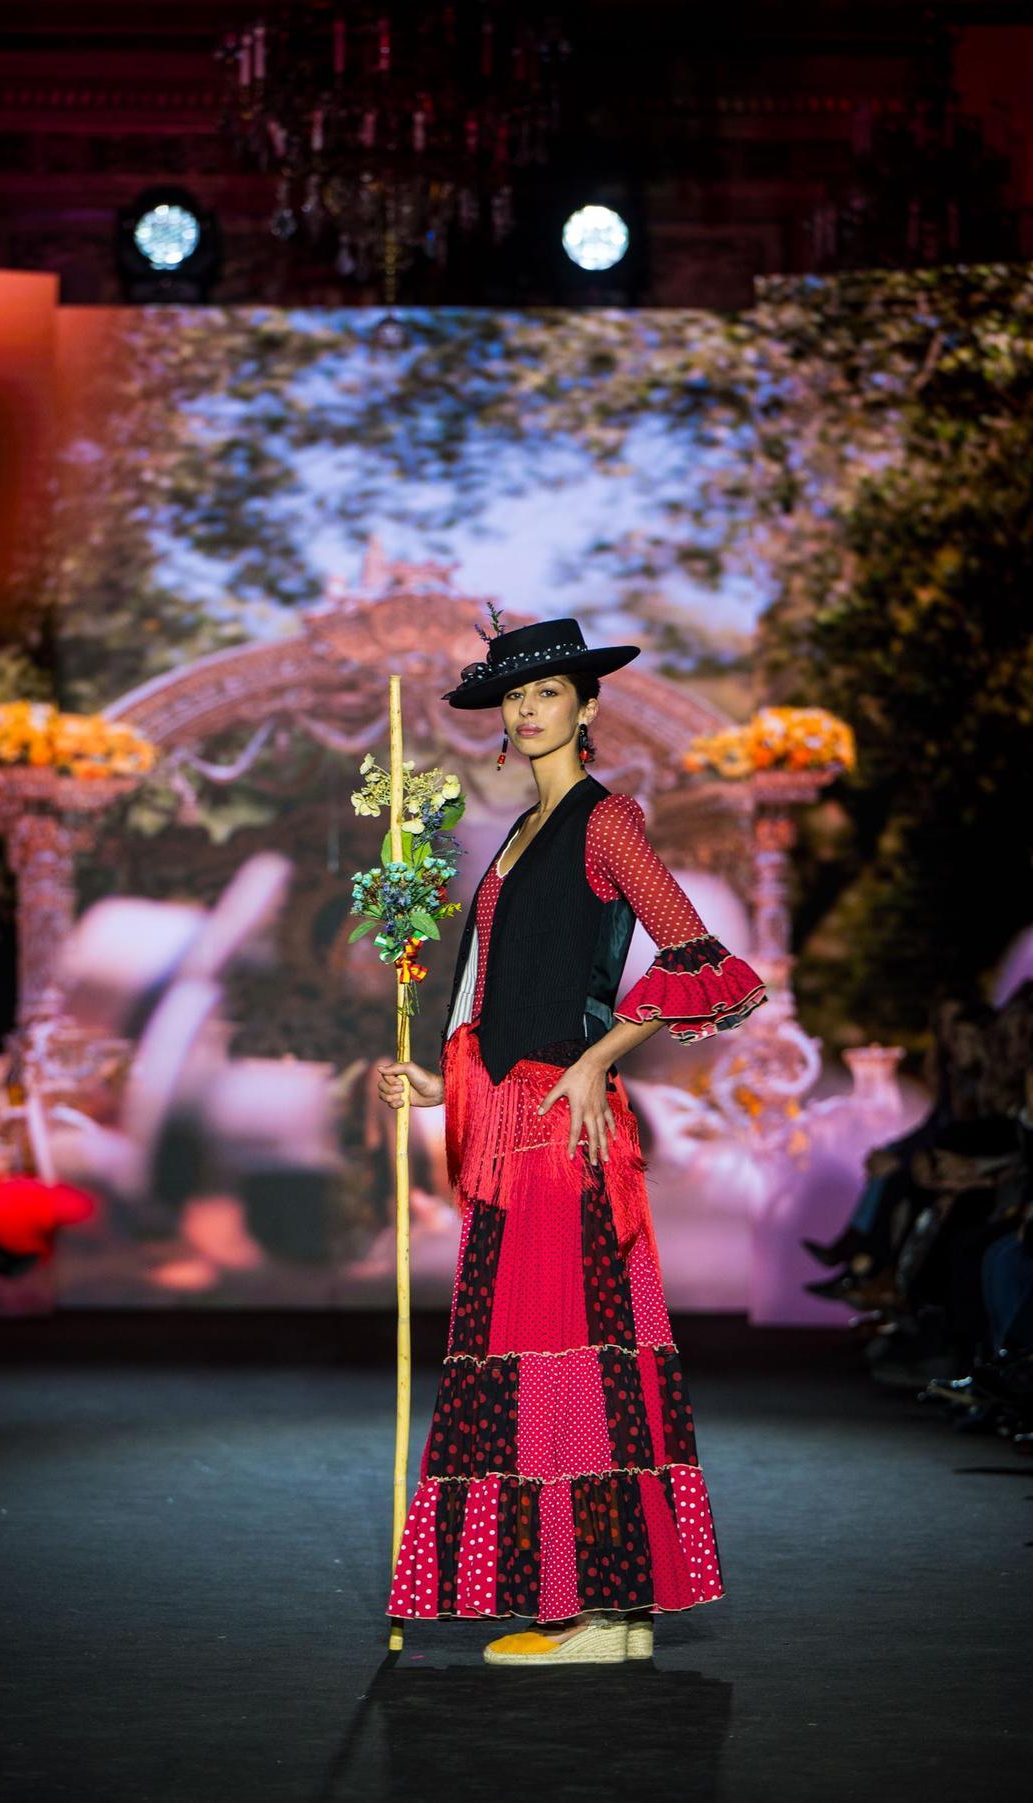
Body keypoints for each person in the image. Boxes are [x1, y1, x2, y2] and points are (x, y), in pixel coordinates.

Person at [377, 616, 767, 1666]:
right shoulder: (513, 837)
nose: (527, 709)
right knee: (537, 1354)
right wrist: (434, 1081)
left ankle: (605, 1607)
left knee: (570, 1352)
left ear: (587, 707)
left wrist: (601, 1058)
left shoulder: (606, 820)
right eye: (514, 697)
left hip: (562, 1121)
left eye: (547, 692)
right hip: (509, 1117)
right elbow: (505, 993)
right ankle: (603, 1608)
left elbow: (699, 955)